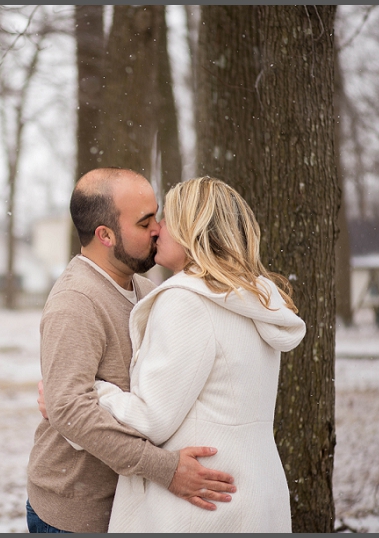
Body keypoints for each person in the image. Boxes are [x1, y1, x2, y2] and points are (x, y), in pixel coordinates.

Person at [26, 168, 236, 534]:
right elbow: (69, 409)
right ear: (105, 235)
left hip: (131, 507)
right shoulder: (76, 302)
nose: (158, 228)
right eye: (144, 222)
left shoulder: (144, 286)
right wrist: (165, 469)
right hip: (78, 516)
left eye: (156, 215)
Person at [92, 176, 306, 532]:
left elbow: (151, 419)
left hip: (197, 508)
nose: (156, 230)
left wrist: (97, 393)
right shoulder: (253, 300)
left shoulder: (187, 302)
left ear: (193, 233)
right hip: (254, 496)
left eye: (167, 222)